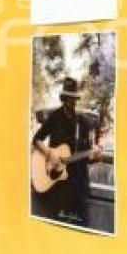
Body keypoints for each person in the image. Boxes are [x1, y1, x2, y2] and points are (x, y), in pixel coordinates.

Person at [31, 77, 101, 227]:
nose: (71, 102)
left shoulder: (82, 122)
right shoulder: (55, 118)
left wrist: (93, 155)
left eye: (73, 99)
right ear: (63, 98)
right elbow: (36, 140)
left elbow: (87, 156)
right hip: (58, 183)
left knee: (82, 225)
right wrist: (49, 153)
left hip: (78, 184)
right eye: (68, 98)